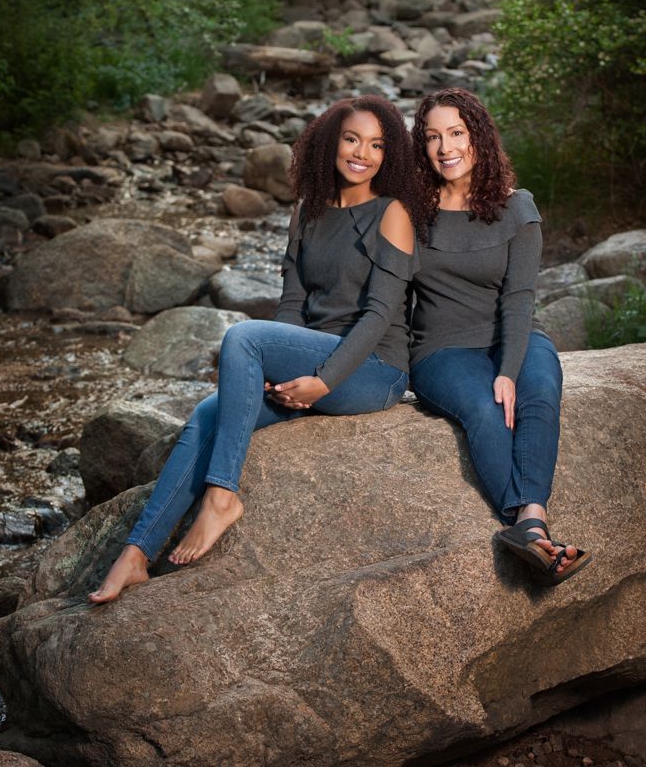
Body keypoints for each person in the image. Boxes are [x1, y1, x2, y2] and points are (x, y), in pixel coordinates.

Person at [89, 96, 421, 603]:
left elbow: (379, 316)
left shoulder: (393, 213)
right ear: (330, 142)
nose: (362, 153)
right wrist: (273, 377)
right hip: (313, 357)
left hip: (375, 370)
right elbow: (292, 305)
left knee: (243, 336)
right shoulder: (307, 210)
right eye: (352, 139)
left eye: (377, 145)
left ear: (390, 154)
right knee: (208, 413)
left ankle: (222, 496)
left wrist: (323, 381)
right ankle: (136, 554)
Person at [409, 88, 591, 585]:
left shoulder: (517, 207)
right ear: (420, 146)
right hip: (441, 348)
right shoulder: (408, 212)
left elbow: (519, 297)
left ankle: (529, 524)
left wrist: (508, 370)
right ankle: (533, 532)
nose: (445, 147)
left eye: (456, 133)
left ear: (478, 138)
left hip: (514, 335)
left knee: (538, 394)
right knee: (486, 413)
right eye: (432, 137)